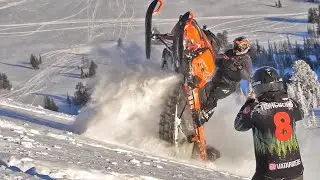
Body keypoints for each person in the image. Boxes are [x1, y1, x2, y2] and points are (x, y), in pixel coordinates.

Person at [234, 66, 304, 180]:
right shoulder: (292, 104)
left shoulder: (257, 109)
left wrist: (249, 102)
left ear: (258, 88)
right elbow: (300, 115)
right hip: (296, 171)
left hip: (269, 173)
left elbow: (238, 125)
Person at [197, 36, 252, 124]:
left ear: (244, 47)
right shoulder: (230, 53)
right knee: (203, 89)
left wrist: (240, 67)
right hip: (218, 79)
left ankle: (204, 116)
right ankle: (197, 107)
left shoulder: (246, 60)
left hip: (229, 85)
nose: (236, 48)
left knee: (215, 94)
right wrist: (212, 58)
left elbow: (247, 76)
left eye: (239, 47)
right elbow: (220, 61)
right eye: (235, 45)